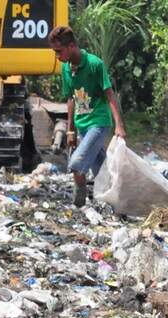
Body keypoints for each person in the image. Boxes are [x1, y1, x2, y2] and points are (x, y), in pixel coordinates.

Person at [48, 25, 126, 208]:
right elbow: (70, 99)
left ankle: (79, 202)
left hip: (99, 123)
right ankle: (116, 204)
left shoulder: (94, 64)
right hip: (82, 124)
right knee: (101, 169)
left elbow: (109, 94)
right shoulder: (67, 69)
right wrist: (70, 131)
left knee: (76, 164)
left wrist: (119, 125)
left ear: (72, 46)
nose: (57, 56)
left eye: (59, 51)